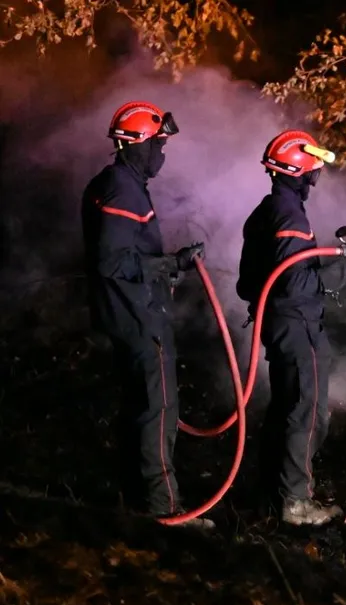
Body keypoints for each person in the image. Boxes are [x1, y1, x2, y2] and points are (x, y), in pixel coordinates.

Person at [80, 101, 210, 527]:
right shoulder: (122, 189)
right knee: (158, 409)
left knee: (139, 406)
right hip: (137, 318)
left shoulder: (113, 182)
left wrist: (168, 266)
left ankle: (134, 499)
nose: (162, 152)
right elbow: (113, 261)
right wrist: (172, 264)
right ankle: (163, 509)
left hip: (126, 313)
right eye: (158, 143)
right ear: (138, 144)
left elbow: (129, 254)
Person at [236, 129, 346, 526]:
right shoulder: (291, 216)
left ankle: (269, 499)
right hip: (299, 329)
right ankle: (296, 503)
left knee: (284, 410)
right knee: (307, 412)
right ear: (301, 171)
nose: (316, 177)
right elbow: (296, 284)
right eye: (313, 170)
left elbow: (251, 283)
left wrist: (330, 258)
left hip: (278, 326)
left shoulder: (265, 212)